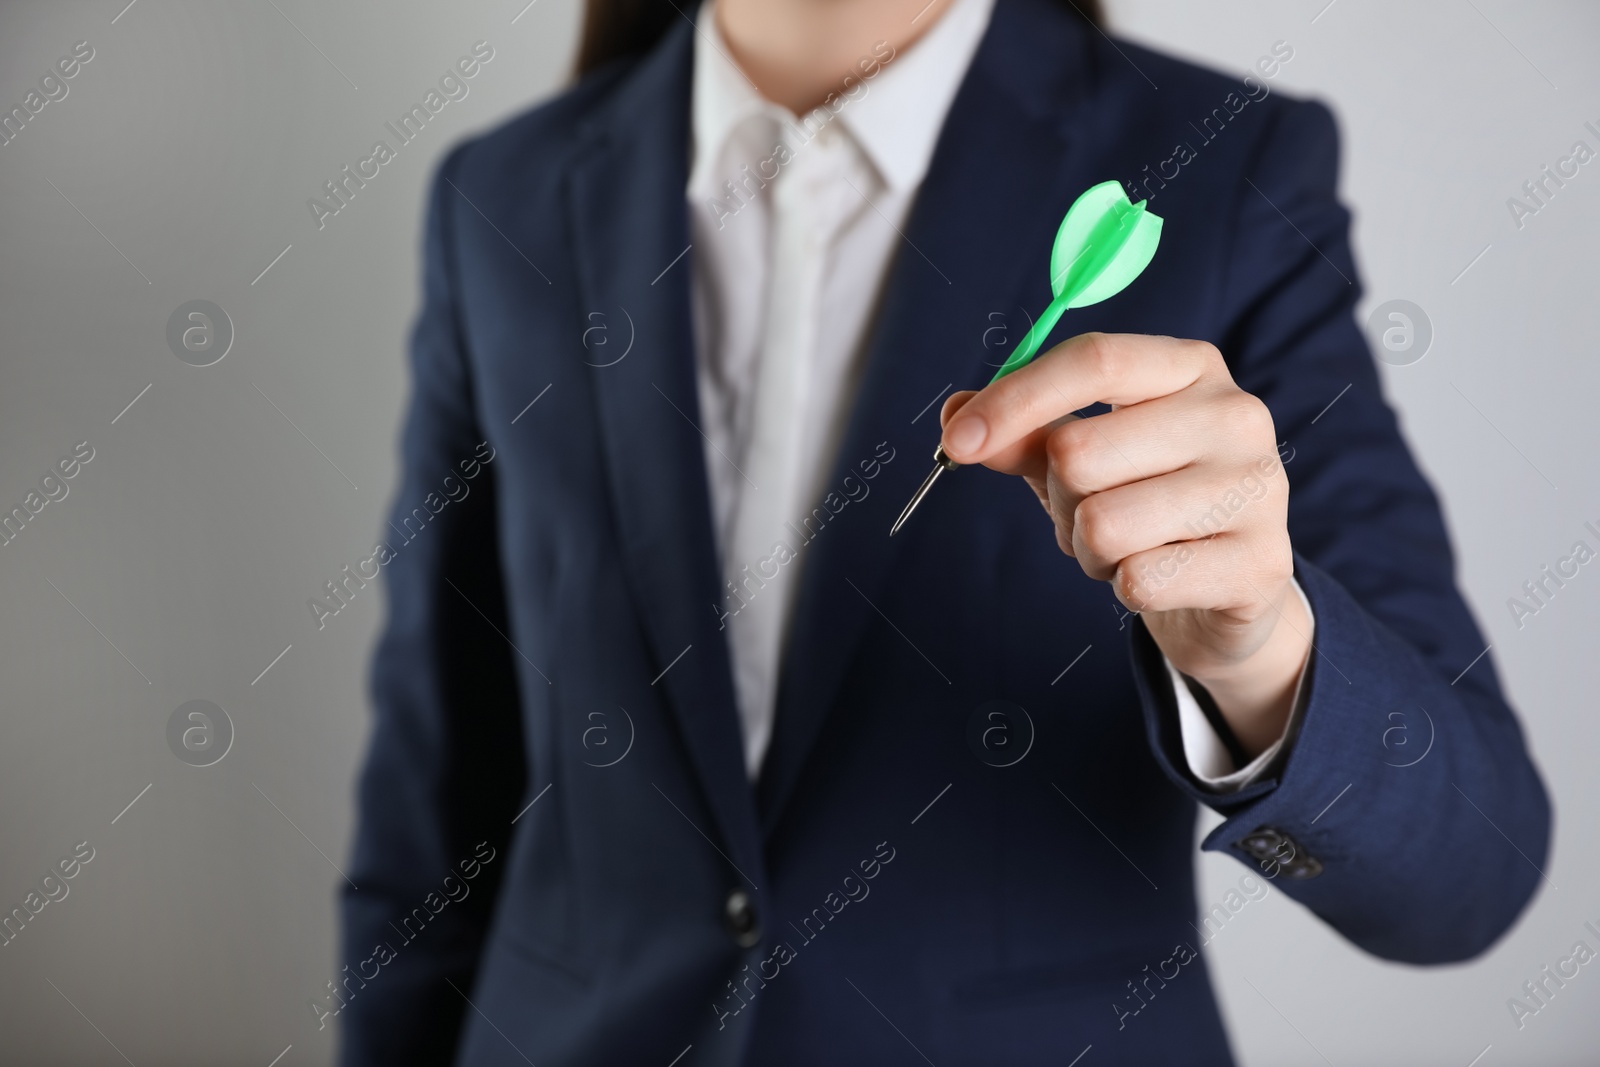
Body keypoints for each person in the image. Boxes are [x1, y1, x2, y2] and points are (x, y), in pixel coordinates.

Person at [340, 0, 1551, 1062]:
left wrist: (1259, 659)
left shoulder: (1225, 166)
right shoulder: (497, 200)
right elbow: (435, 799)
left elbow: (1469, 877)